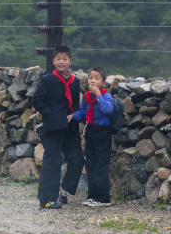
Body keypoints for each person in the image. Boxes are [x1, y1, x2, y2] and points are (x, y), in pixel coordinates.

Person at [31, 46, 85, 209]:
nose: (62, 62)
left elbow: (75, 102)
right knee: (52, 162)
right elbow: (36, 100)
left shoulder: (75, 81)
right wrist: (50, 113)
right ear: (53, 61)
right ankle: (46, 200)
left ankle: (65, 191)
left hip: (70, 127)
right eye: (58, 59)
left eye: (65, 59)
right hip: (53, 126)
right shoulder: (48, 79)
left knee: (77, 160)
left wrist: (74, 114)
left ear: (70, 61)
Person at [67, 67, 114, 207]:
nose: (92, 81)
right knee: (91, 164)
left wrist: (98, 95)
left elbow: (107, 110)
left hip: (103, 132)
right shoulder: (87, 96)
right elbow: (82, 113)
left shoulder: (106, 96)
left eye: (97, 78)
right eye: (91, 78)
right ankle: (92, 196)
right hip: (91, 132)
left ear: (103, 83)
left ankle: (103, 198)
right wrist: (72, 116)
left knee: (101, 165)